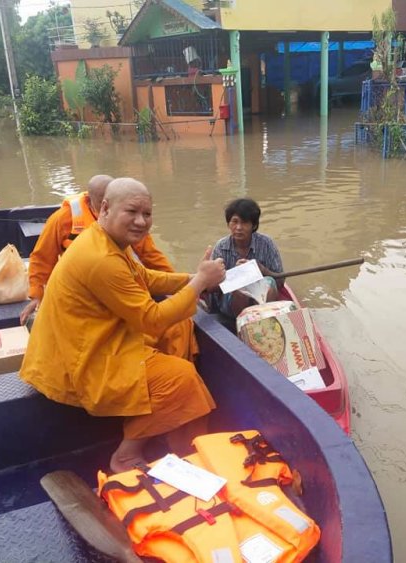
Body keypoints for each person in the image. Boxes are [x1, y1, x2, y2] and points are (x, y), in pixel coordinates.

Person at [19, 178, 226, 472]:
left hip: (94, 339)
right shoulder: (100, 258)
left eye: (147, 214)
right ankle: (127, 455)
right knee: (180, 378)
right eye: (132, 212)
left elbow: (145, 278)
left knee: (179, 331)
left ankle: (166, 420)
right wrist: (201, 282)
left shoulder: (105, 239)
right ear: (104, 208)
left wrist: (192, 279)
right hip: (79, 361)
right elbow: (151, 319)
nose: (141, 222)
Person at [19, 174, 175, 325]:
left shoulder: (129, 221)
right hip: (82, 292)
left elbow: (150, 255)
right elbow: (42, 258)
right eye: (104, 204)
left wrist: (176, 284)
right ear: (97, 202)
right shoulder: (62, 219)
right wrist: (36, 295)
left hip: (117, 283)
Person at [210, 198, 284, 317]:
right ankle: (242, 323)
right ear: (228, 223)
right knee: (240, 289)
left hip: (261, 298)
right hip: (231, 304)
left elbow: (280, 281)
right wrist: (236, 275)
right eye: (234, 222)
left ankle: (265, 319)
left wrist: (262, 270)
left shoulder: (267, 244)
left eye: (244, 223)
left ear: (253, 225)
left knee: (269, 283)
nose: (238, 227)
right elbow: (211, 287)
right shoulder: (221, 247)